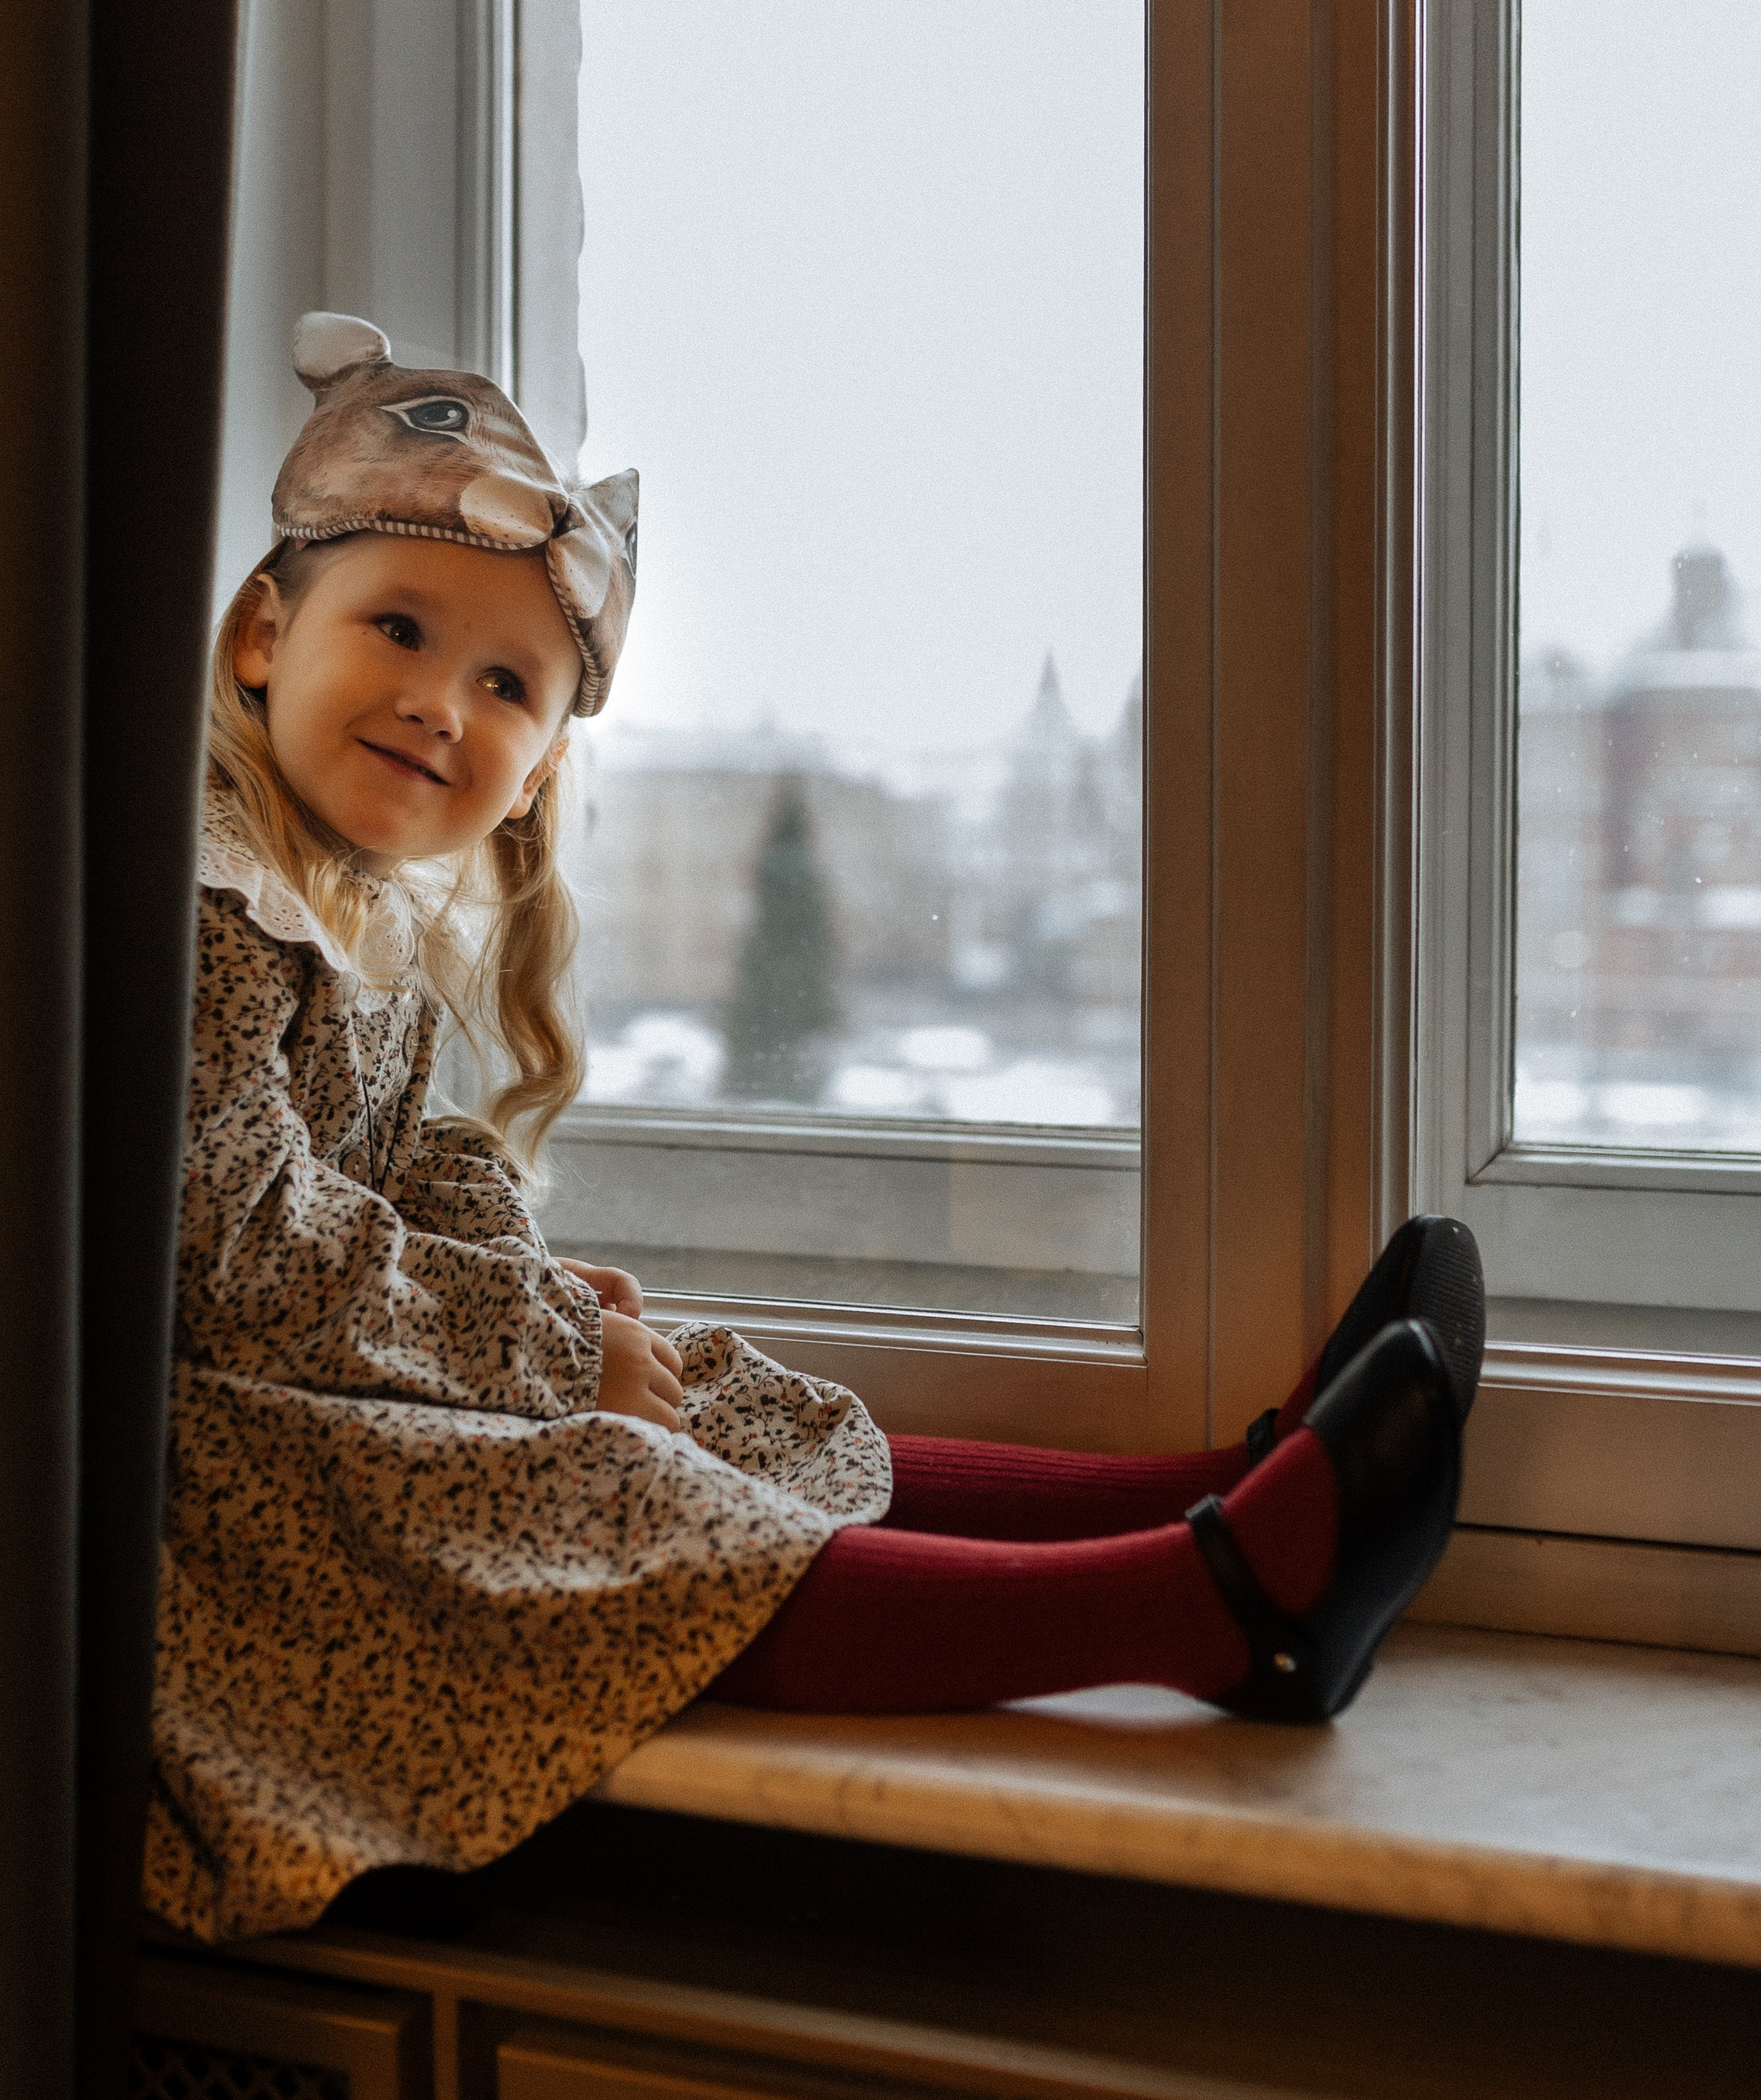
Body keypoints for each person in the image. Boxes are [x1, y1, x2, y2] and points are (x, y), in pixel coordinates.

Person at [149, 314, 1483, 1944]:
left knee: (696, 1391)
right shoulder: (212, 907)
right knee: (602, 1510)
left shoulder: (347, 907)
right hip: (208, 1487)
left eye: (504, 683)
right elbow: (242, 1255)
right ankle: (1200, 1604)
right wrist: (540, 1362)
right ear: (262, 639)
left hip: (307, 1379)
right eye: (401, 631)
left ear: (539, 764)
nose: (441, 701)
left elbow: (422, 1167)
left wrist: (541, 1308)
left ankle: (1223, 1484)